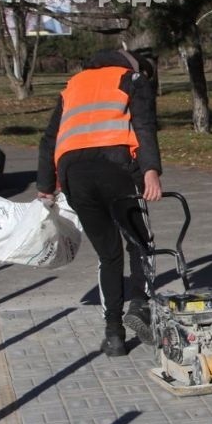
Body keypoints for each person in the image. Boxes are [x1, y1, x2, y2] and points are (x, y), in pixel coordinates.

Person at [36, 49, 163, 357]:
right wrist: (151, 170)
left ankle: (114, 333)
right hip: (117, 169)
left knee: (109, 255)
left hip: (74, 175)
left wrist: (45, 186)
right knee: (140, 243)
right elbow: (144, 126)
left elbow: (49, 139)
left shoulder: (73, 85)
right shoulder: (133, 79)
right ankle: (139, 305)